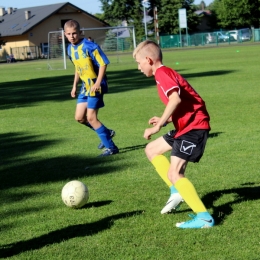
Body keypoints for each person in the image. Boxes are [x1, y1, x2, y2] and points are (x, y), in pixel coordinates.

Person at [133, 40, 214, 229]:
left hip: (194, 127)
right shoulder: (163, 73)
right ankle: (176, 191)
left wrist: (159, 125)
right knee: (152, 150)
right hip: (185, 125)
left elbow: (175, 98)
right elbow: (183, 102)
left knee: (175, 172)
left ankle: (204, 218)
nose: (138, 68)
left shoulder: (162, 73)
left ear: (149, 60)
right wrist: (166, 119)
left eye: (139, 63)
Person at [64, 19, 118, 156]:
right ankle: (106, 133)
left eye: (74, 33)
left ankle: (111, 148)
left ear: (80, 32)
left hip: (96, 85)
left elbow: (103, 64)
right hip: (84, 87)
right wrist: (74, 86)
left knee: (92, 118)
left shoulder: (90, 46)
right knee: (79, 118)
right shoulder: (69, 49)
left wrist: (98, 82)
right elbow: (78, 68)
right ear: (65, 34)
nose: (72, 36)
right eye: (69, 34)